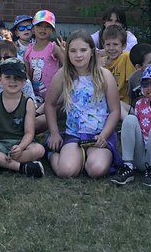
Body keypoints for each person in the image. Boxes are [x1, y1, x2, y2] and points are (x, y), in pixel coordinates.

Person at [44, 31, 121, 179]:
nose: (78, 55)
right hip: (74, 134)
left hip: (99, 135)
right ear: (67, 53)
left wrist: (104, 135)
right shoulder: (63, 74)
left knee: (96, 170)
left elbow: (115, 111)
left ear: (92, 52)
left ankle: (88, 158)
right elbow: (49, 104)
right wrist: (54, 133)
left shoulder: (104, 75)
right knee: (66, 171)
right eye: (73, 51)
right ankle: (52, 154)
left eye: (83, 50)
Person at [0, 58, 46, 177]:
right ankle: (22, 167)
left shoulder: (28, 102)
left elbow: (29, 133)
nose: (12, 81)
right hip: (0, 143)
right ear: (0, 79)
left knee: (39, 150)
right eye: (8, 77)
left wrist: (20, 147)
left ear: (24, 81)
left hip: (21, 144)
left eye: (17, 78)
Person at [24, 10, 65, 104]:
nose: (43, 29)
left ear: (52, 30)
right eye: (39, 26)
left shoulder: (53, 48)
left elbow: (67, 67)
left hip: (53, 93)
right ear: (33, 29)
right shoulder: (29, 50)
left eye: (47, 27)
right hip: (34, 93)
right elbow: (26, 74)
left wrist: (65, 52)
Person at [99, 24, 134, 113]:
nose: (111, 48)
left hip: (125, 104)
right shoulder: (101, 62)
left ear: (124, 46)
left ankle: (130, 124)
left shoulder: (126, 57)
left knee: (117, 104)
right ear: (103, 45)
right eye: (108, 44)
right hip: (105, 102)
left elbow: (131, 84)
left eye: (115, 44)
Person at [125, 43, 151, 111]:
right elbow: (131, 99)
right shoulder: (133, 78)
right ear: (138, 67)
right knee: (120, 105)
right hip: (141, 110)